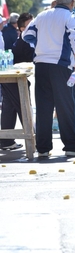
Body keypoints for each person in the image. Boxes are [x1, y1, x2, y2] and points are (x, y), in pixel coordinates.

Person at [22, 0, 75, 157]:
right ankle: (71, 145)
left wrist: (41, 45)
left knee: (43, 108)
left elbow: (26, 35)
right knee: (66, 107)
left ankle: (42, 148)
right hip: (61, 66)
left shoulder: (42, 15)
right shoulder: (71, 17)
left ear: (56, 1)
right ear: (71, 3)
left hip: (41, 65)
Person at [0, 12, 34, 151]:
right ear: (21, 28)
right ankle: (32, 138)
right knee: (23, 106)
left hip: (10, 75)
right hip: (10, 76)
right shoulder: (24, 41)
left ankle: (6, 141)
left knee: (9, 106)